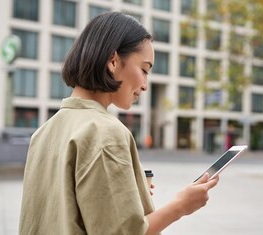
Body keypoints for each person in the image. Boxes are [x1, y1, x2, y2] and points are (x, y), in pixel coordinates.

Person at [19, 12, 219, 235]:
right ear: (113, 61)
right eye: (144, 69)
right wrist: (180, 206)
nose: (144, 85)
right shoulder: (105, 133)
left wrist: (126, 186)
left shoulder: (44, 132)